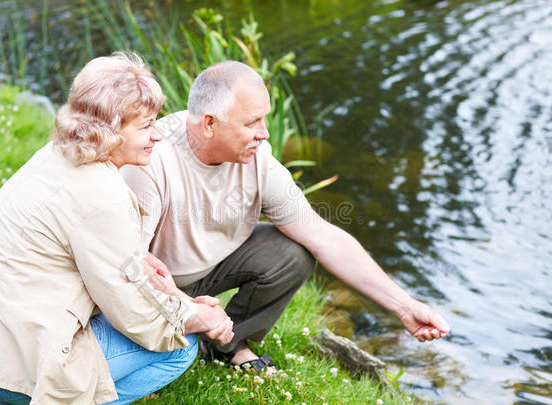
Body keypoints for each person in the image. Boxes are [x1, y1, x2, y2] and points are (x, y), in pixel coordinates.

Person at [0, 52, 233, 405]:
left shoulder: (56, 153)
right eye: (144, 126)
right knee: (181, 347)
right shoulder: (102, 195)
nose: (157, 136)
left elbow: (97, 257)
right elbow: (136, 315)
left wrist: (171, 292)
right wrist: (200, 316)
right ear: (108, 131)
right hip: (2, 359)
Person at [120, 60, 450, 371]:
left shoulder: (257, 157)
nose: (264, 133)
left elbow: (322, 236)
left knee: (293, 251)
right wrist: (190, 310)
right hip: (154, 286)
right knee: (155, 347)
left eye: (265, 119)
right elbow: (129, 267)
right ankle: (165, 343)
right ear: (209, 124)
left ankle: (227, 345)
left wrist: (405, 307)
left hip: (205, 273)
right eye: (252, 122)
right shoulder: (151, 160)